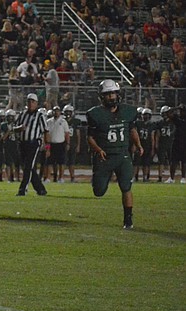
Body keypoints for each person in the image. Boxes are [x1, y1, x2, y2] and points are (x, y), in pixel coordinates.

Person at [85, 79, 142, 229]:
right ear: (101, 96)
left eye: (114, 93)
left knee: (126, 187)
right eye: (108, 94)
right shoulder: (95, 114)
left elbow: (132, 130)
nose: (112, 97)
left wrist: (138, 144)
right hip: (105, 157)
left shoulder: (128, 111)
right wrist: (98, 149)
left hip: (123, 155)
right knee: (99, 191)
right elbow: (89, 137)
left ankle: (128, 220)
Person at [12, 93, 49, 196]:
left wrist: (47, 147)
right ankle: (40, 189)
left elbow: (46, 131)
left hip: (33, 143)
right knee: (28, 167)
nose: (30, 103)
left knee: (28, 166)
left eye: (33, 101)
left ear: (36, 103)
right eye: (29, 101)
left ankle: (23, 189)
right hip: (23, 143)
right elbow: (14, 128)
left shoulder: (40, 115)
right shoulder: (22, 114)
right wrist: (19, 128)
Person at [46, 105, 70, 182]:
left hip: (61, 144)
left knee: (61, 162)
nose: (56, 112)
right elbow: (47, 134)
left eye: (57, 111)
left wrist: (68, 143)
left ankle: (61, 178)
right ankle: (48, 178)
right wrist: (47, 146)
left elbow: (66, 133)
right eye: (54, 111)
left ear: (60, 112)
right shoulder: (49, 121)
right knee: (49, 162)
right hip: (51, 144)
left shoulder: (63, 122)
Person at [134, 107, 155, 183]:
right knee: (136, 162)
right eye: (144, 115)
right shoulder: (138, 123)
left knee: (146, 163)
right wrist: (135, 145)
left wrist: (153, 148)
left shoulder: (151, 124)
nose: (145, 116)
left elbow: (152, 137)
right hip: (139, 145)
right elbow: (135, 135)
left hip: (147, 145)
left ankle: (145, 177)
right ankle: (134, 177)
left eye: (147, 115)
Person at [1, 109, 22, 183]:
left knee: (17, 163)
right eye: (9, 117)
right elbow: (3, 138)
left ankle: (17, 178)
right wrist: (9, 130)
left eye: (11, 117)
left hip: (16, 145)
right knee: (8, 163)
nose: (10, 118)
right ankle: (9, 178)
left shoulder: (17, 124)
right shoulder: (3, 125)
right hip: (7, 145)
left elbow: (19, 136)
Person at [156, 105, 175, 183]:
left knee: (170, 161)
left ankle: (170, 177)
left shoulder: (172, 122)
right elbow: (158, 134)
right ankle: (161, 177)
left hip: (170, 143)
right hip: (164, 143)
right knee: (162, 161)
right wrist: (156, 143)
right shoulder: (161, 123)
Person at [63, 104, 81, 182]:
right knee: (62, 161)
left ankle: (72, 177)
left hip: (73, 143)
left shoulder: (76, 121)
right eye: (66, 112)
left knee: (72, 162)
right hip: (63, 143)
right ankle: (61, 177)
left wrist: (78, 145)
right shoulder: (62, 121)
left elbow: (78, 134)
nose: (68, 114)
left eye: (69, 112)